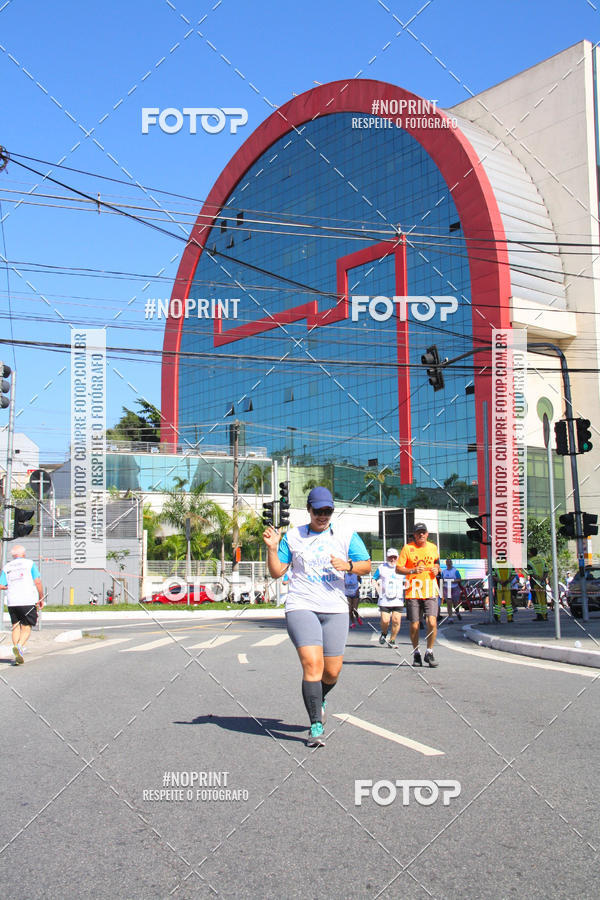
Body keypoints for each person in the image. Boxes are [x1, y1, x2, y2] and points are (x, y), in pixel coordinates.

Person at [263, 486, 371, 747]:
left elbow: (367, 565)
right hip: (301, 605)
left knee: (331, 672)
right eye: (318, 511)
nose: (323, 516)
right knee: (312, 664)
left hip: (335, 609)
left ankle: (318, 696)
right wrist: (272, 549)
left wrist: (348, 566)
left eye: (327, 511)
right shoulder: (294, 536)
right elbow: (277, 572)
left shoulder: (346, 535)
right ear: (308, 510)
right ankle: (315, 725)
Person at [396, 523, 440, 667]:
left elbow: (437, 563)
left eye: (423, 532)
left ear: (427, 534)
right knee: (415, 625)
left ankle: (429, 651)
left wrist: (437, 569)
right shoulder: (407, 548)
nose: (421, 534)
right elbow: (398, 569)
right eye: (418, 532)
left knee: (432, 622)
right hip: (413, 590)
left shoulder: (433, 547)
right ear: (414, 535)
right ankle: (416, 653)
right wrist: (412, 571)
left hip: (430, 590)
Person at [0, 544, 44, 665]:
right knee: (26, 626)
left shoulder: (7, 566)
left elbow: (1, 585)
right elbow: (37, 581)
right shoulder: (29, 564)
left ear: (13, 555)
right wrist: (41, 597)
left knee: (15, 625)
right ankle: (19, 646)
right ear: (23, 554)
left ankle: (16, 653)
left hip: (12, 601)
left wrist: (8, 587)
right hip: (27, 600)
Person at [373, 548, 404, 647]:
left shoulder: (401, 568)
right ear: (387, 557)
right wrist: (378, 589)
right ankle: (384, 633)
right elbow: (374, 579)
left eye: (394, 557)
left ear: (397, 557)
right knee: (385, 621)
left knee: (396, 620)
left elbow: (409, 580)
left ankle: (392, 640)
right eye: (390, 557)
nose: (392, 559)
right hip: (385, 599)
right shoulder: (382, 567)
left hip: (398, 599)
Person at [528, 547, 548, 621]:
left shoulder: (530, 562)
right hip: (542, 583)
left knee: (537, 599)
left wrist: (538, 578)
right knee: (543, 599)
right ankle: (545, 615)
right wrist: (543, 578)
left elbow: (531, 573)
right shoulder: (542, 560)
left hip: (535, 583)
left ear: (531, 553)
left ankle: (539, 615)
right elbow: (546, 571)